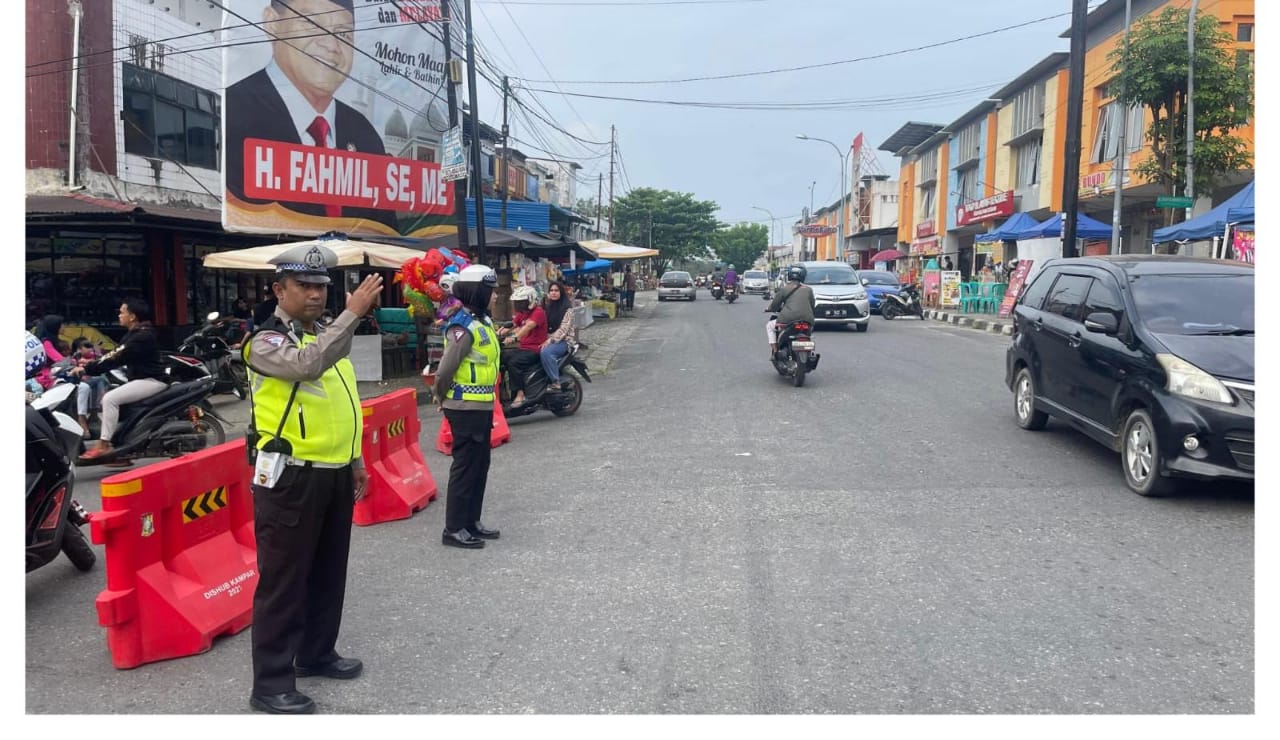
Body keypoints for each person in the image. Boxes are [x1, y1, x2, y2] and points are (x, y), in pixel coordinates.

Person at [240, 243, 383, 715]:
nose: (316, 294)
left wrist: (356, 458)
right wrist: (352, 315)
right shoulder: (263, 341)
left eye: (322, 286)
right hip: (291, 478)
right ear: (279, 289)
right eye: (304, 285)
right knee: (284, 581)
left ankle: (317, 653)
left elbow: (343, 402)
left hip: (336, 470)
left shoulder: (327, 334)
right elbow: (307, 366)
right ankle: (272, 682)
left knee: (327, 571)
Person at [224, 0, 397, 232]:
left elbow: (385, 229)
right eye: (311, 23)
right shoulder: (234, 110)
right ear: (272, 23)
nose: (331, 45)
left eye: (343, 33)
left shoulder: (364, 134)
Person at [431, 264, 501, 550]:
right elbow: (445, 369)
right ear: (478, 291)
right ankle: (454, 527)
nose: (495, 296)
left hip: (481, 406)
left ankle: (472, 521)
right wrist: (439, 395)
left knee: (480, 465)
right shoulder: (462, 326)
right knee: (465, 467)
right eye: (491, 291)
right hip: (464, 407)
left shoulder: (483, 322)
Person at [72, 300, 168, 461]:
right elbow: (114, 354)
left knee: (109, 399)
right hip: (140, 378)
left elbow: (115, 357)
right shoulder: (137, 332)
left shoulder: (141, 336)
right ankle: (122, 450)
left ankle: (104, 444)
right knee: (114, 396)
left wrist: (87, 369)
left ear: (132, 316)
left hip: (151, 380)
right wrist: (91, 364)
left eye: (122, 312)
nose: (119, 315)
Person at [497, 285, 547, 408]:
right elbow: (512, 325)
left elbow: (528, 327)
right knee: (500, 358)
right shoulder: (523, 313)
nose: (519, 305)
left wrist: (514, 337)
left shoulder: (538, 312)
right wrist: (496, 334)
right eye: (518, 303)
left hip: (535, 350)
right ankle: (502, 392)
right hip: (523, 348)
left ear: (530, 300)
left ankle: (520, 394)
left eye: (522, 302)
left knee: (514, 362)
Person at [765, 264, 816, 358]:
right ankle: (809, 352)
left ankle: (775, 351)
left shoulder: (784, 289)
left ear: (789, 275)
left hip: (788, 320)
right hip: (807, 320)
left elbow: (775, 306)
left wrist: (769, 309)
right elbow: (812, 305)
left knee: (769, 326)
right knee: (810, 334)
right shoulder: (808, 290)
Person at [539, 280, 575, 389]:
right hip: (548, 339)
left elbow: (563, 330)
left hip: (564, 341)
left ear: (561, 292)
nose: (553, 293)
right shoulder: (547, 307)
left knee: (546, 352)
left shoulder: (568, 309)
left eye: (556, 290)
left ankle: (556, 381)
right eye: (551, 290)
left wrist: (550, 340)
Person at [70, 338, 108, 437]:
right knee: (90, 384)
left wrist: (97, 350)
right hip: (78, 381)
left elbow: (100, 360)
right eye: (86, 347)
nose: (89, 350)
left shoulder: (93, 355)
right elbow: (72, 368)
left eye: (90, 348)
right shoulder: (75, 358)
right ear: (79, 349)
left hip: (90, 380)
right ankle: (82, 418)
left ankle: (94, 413)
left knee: (98, 380)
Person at [32, 314, 67, 391]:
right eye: (61, 325)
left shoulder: (54, 341)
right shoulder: (46, 342)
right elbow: (59, 360)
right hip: (47, 377)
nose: (64, 327)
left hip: (54, 374)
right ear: (54, 327)